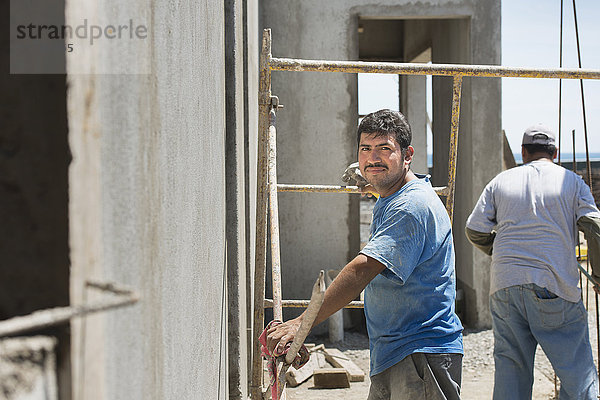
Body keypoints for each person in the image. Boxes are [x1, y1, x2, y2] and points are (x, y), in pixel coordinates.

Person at [266, 109, 464, 399]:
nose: (373, 158)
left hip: (420, 354)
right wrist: (372, 183)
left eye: (385, 149)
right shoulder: (394, 194)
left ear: (407, 155)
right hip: (397, 352)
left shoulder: (410, 207)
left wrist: (301, 323)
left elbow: (362, 270)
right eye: (366, 149)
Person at [465, 124, 600, 399]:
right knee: (578, 374)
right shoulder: (572, 182)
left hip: (505, 286)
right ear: (555, 152)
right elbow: (594, 228)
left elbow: (474, 229)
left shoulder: (501, 181)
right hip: (553, 285)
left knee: (511, 370)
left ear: (524, 152)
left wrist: (500, 251)